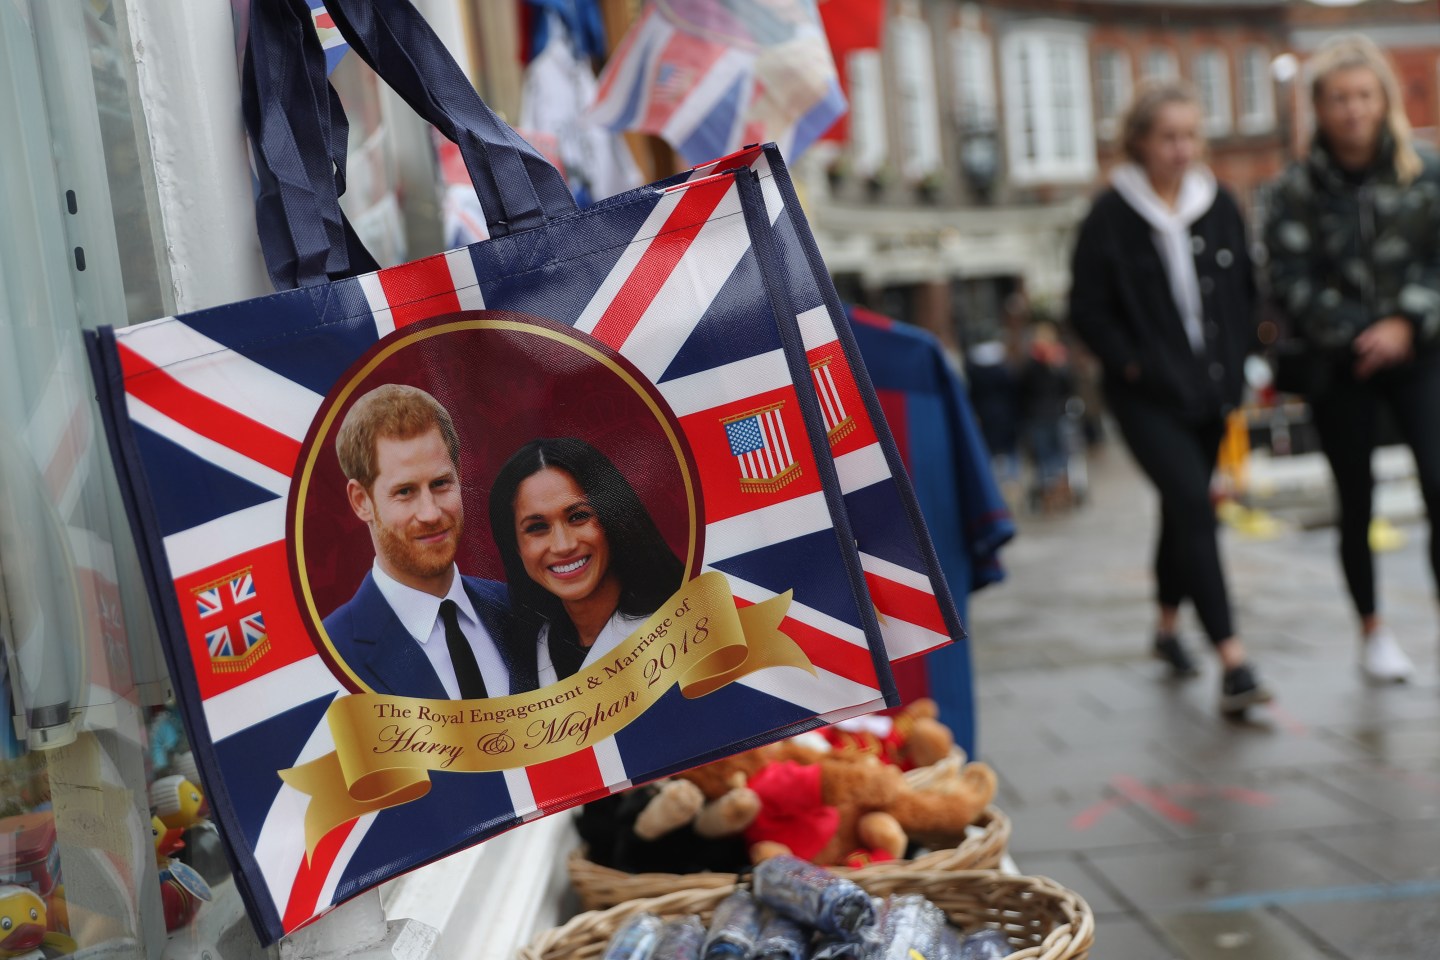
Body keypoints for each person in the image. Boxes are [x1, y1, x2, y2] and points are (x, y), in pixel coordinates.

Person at [1069, 80, 1271, 715]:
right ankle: (1233, 660)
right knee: (1193, 502)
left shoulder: (1219, 204)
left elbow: (1244, 290)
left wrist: (1241, 360)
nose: (1183, 150)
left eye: (1190, 136)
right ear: (1140, 143)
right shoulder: (1110, 216)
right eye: (1169, 137)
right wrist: (1132, 365)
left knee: (1180, 509)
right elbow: (1086, 309)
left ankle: (1163, 627)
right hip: (1146, 395)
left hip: (1211, 389)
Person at [1264, 35, 1440, 683]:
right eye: (1339, 98)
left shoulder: (1426, 175)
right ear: (1319, 109)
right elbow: (1289, 278)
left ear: (1383, 99)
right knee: (1356, 499)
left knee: (1439, 484)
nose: (1353, 109)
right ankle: (1373, 630)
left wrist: (1405, 322)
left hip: (1422, 352)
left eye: (1364, 95)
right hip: (1339, 365)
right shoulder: (1294, 191)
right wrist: (1356, 334)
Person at [324, 384, 534, 699]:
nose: (430, 512)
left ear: (459, 474)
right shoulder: (329, 653)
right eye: (405, 491)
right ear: (361, 500)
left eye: (440, 484)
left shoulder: (523, 611)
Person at [487, 437, 685, 685]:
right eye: (537, 527)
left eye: (578, 516)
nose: (563, 545)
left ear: (613, 518)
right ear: (515, 546)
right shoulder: (529, 654)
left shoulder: (680, 627)